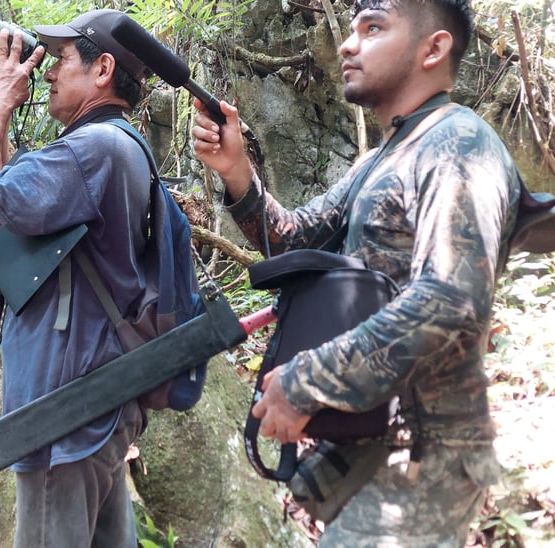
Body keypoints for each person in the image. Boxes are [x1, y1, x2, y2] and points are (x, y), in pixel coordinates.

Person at [193, 0, 519, 545]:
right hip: (370, 440)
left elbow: (451, 300)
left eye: (373, 27)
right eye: (352, 29)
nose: (347, 44)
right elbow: (295, 238)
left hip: (427, 452)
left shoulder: (459, 144)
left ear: (433, 48)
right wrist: (237, 170)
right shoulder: (383, 157)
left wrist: (306, 380)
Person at [0, 9, 153, 547]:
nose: (47, 71)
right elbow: (3, 204)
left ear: (103, 69)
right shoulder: (117, 144)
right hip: (94, 401)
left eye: (61, 58)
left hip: (63, 413)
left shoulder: (92, 151)